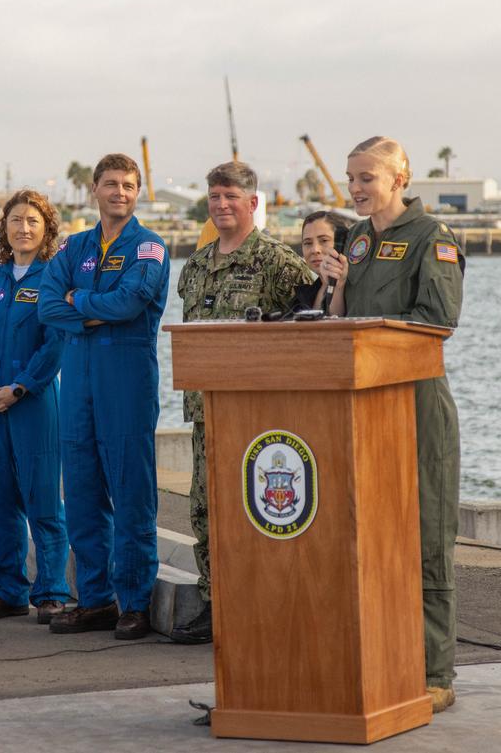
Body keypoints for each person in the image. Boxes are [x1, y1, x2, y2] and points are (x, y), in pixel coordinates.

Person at [330, 136, 464, 713]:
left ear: (399, 177)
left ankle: (435, 671)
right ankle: (381, 659)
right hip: (363, 407)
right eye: (351, 179)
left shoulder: (432, 238)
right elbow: (346, 319)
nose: (356, 189)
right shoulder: (358, 240)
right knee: (372, 538)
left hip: (414, 406)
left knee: (425, 538)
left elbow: (436, 324)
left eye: (366, 178)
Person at [171, 161, 310, 644]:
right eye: (215, 197)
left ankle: (265, 605)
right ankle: (214, 604)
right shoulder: (194, 266)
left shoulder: (276, 261)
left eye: (231, 196)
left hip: (258, 416)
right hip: (207, 412)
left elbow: (309, 327)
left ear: (253, 203)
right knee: (206, 511)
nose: (222, 205)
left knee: (260, 514)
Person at [38, 153, 169, 640]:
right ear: (94, 189)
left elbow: (130, 302)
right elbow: (48, 308)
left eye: (129, 186)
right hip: (77, 384)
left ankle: (134, 601)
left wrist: (81, 303)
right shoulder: (73, 249)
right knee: (84, 493)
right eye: (111, 184)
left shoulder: (150, 248)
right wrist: (90, 310)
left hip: (126, 382)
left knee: (132, 494)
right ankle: (95, 600)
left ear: (138, 193)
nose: (119, 192)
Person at [0, 190, 70, 623]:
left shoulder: (53, 280)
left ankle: (52, 591)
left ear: (46, 230)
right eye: (15, 221)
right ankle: (6, 587)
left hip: (33, 406)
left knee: (43, 502)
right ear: (3, 228)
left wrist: (20, 387)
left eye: (32, 221)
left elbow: (55, 343)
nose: (23, 228)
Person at [292, 210, 350, 313]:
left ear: (342, 242)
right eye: (308, 243)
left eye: (324, 240)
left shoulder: (356, 289)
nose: (315, 250)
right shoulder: (303, 296)